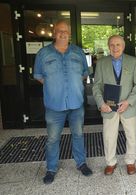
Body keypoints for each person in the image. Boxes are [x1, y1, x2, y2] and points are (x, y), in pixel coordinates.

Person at [34, 20, 93, 184]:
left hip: (76, 104)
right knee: (53, 138)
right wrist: (54, 86)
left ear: (70, 34)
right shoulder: (43, 53)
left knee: (78, 135)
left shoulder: (78, 52)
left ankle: (81, 163)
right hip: (54, 106)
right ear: (54, 33)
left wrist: (72, 85)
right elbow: (38, 76)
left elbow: (84, 73)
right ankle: (51, 169)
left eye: (65, 31)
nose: (62, 33)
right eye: (59, 31)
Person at [92, 35, 136, 175]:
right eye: (112, 45)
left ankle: (130, 161)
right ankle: (110, 162)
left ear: (123, 46)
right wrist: (101, 103)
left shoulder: (133, 62)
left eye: (118, 44)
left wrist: (128, 102)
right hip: (108, 107)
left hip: (128, 107)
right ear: (109, 46)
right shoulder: (101, 63)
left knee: (131, 135)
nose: (115, 47)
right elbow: (96, 87)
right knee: (108, 136)